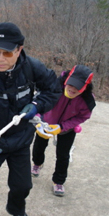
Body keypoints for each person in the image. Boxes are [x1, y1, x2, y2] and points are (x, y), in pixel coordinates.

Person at [0, 22, 62, 216]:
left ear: (19, 50)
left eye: (6, 53)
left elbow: (53, 90)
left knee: (23, 186)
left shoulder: (32, 67)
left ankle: (16, 210)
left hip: (20, 138)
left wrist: (37, 106)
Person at [31, 65, 96, 197]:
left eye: (78, 87)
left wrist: (62, 127)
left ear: (85, 87)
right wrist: (37, 118)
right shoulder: (53, 86)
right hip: (45, 123)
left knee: (63, 155)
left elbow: (82, 117)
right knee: (38, 147)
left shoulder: (87, 101)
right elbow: (39, 101)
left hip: (67, 129)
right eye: (71, 84)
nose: (72, 89)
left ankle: (59, 181)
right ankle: (37, 163)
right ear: (66, 80)